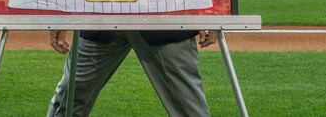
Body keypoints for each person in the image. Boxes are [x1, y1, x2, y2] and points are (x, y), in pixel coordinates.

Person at [47, 29, 215, 116]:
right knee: (69, 100)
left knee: (189, 108)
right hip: (103, 13)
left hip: (163, 17)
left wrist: (210, 12)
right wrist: (60, 13)